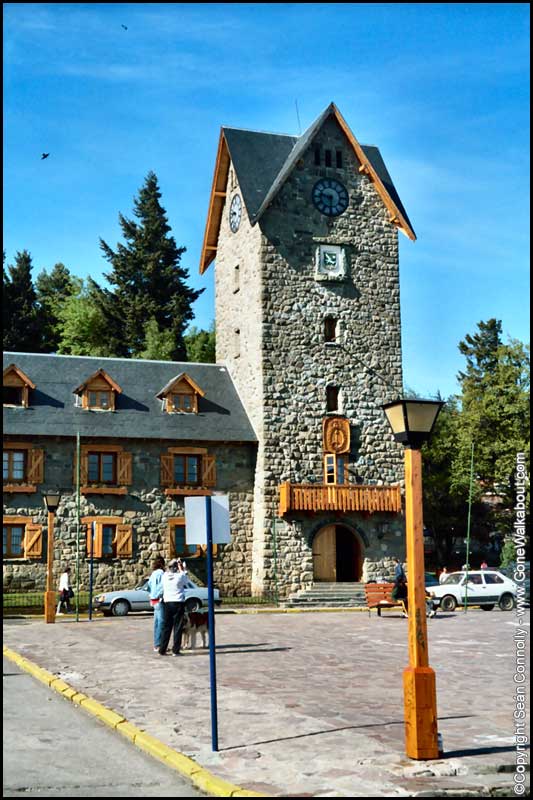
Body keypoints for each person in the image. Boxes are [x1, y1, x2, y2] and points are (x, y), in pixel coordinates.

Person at [157, 558, 190, 656]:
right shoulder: (180, 576)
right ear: (176, 567)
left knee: (167, 627)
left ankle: (162, 649)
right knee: (178, 627)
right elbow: (186, 581)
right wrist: (181, 567)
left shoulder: (165, 576)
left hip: (167, 603)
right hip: (178, 602)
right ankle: (176, 650)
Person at [147, 556, 165, 653]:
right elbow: (162, 587)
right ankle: (159, 644)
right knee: (161, 623)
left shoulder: (153, 574)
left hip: (153, 600)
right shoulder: (162, 574)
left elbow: (149, 585)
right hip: (159, 599)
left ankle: (156, 644)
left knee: (156, 623)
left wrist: (151, 595)